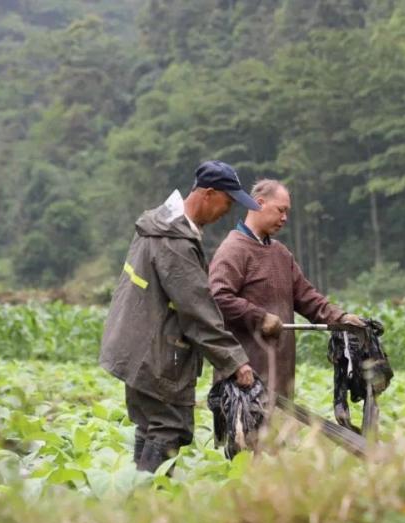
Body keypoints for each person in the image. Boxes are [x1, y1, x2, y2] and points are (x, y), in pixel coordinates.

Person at [100, 160, 259, 474]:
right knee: (170, 426)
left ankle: (142, 503)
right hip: (154, 352)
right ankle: (151, 500)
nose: (226, 212)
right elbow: (197, 310)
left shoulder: (159, 226)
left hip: (133, 346)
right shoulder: (174, 241)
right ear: (208, 194)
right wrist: (235, 361)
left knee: (150, 424)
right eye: (227, 203)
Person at [209, 179, 364, 400]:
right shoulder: (233, 249)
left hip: (281, 378)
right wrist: (260, 318)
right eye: (281, 210)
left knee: (279, 434)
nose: (285, 218)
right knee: (246, 435)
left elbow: (307, 297)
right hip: (244, 379)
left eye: (287, 212)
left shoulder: (281, 253)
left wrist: (341, 317)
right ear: (259, 203)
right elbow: (217, 296)